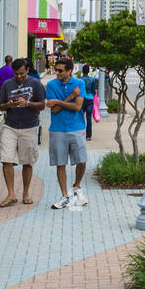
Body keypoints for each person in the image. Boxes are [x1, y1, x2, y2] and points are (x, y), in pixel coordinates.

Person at [0, 58, 44, 207]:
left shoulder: (36, 84)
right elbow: (1, 106)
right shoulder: (7, 84)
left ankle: (26, 193)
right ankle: (11, 194)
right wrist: (8, 105)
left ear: (27, 71)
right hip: (10, 126)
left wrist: (28, 103)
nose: (19, 77)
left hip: (29, 126)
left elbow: (42, 105)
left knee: (27, 162)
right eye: (17, 74)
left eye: (22, 74)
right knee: (6, 159)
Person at [45, 57, 88, 210]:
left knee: (82, 161)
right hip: (57, 129)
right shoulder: (50, 85)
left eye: (60, 70)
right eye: (55, 70)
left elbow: (77, 107)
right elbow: (55, 110)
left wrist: (58, 101)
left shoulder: (79, 83)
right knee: (60, 163)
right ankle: (65, 196)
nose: (57, 73)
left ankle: (76, 187)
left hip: (77, 128)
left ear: (69, 71)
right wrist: (70, 96)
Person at [80, 65, 97, 141]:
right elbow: (94, 92)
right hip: (90, 99)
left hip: (81, 99)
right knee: (89, 118)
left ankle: (80, 134)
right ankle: (88, 136)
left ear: (82, 71)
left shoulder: (80, 80)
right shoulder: (92, 80)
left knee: (80, 117)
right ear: (88, 71)